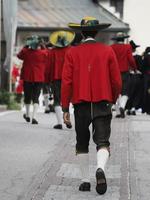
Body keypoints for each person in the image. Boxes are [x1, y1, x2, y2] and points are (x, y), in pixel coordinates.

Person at [61, 16, 122, 195]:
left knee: (81, 142)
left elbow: (66, 82)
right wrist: (113, 98)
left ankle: (85, 181)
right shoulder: (107, 51)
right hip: (103, 101)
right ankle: (100, 168)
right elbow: (117, 81)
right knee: (103, 141)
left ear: (81, 32)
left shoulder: (72, 52)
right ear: (97, 32)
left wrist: (65, 108)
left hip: (80, 103)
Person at [17, 35, 49, 124]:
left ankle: (27, 115)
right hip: (39, 78)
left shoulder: (26, 51)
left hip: (27, 77)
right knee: (36, 97)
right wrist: (43, 45)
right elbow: (47, 54)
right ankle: (34, 117)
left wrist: (26, 45)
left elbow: (19, 55)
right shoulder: (43, 53)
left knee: (27, 97)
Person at [49, 30, 75, 129]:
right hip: (70, 78)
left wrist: (48, 80)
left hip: (56, 78)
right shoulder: (72, 50)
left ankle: (59, 122)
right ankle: (68, 118)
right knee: (70, 99)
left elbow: (49, 67)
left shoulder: (52, 52)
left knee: (57, 100)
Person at [111, 33, 137, 118]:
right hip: (125, 72)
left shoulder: (112, 47)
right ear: (124, 39)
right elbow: (131, 59)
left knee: (116, 91)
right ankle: (122, 106)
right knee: (125, 90)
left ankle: (119, 110)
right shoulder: (127, 47)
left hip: (114, 72)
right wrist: (134, 68)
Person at [142, 47, 150, 114]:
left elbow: (143, 66)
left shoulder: (146, 56)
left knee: (145, 92)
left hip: (146, 75)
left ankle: (145, 109)